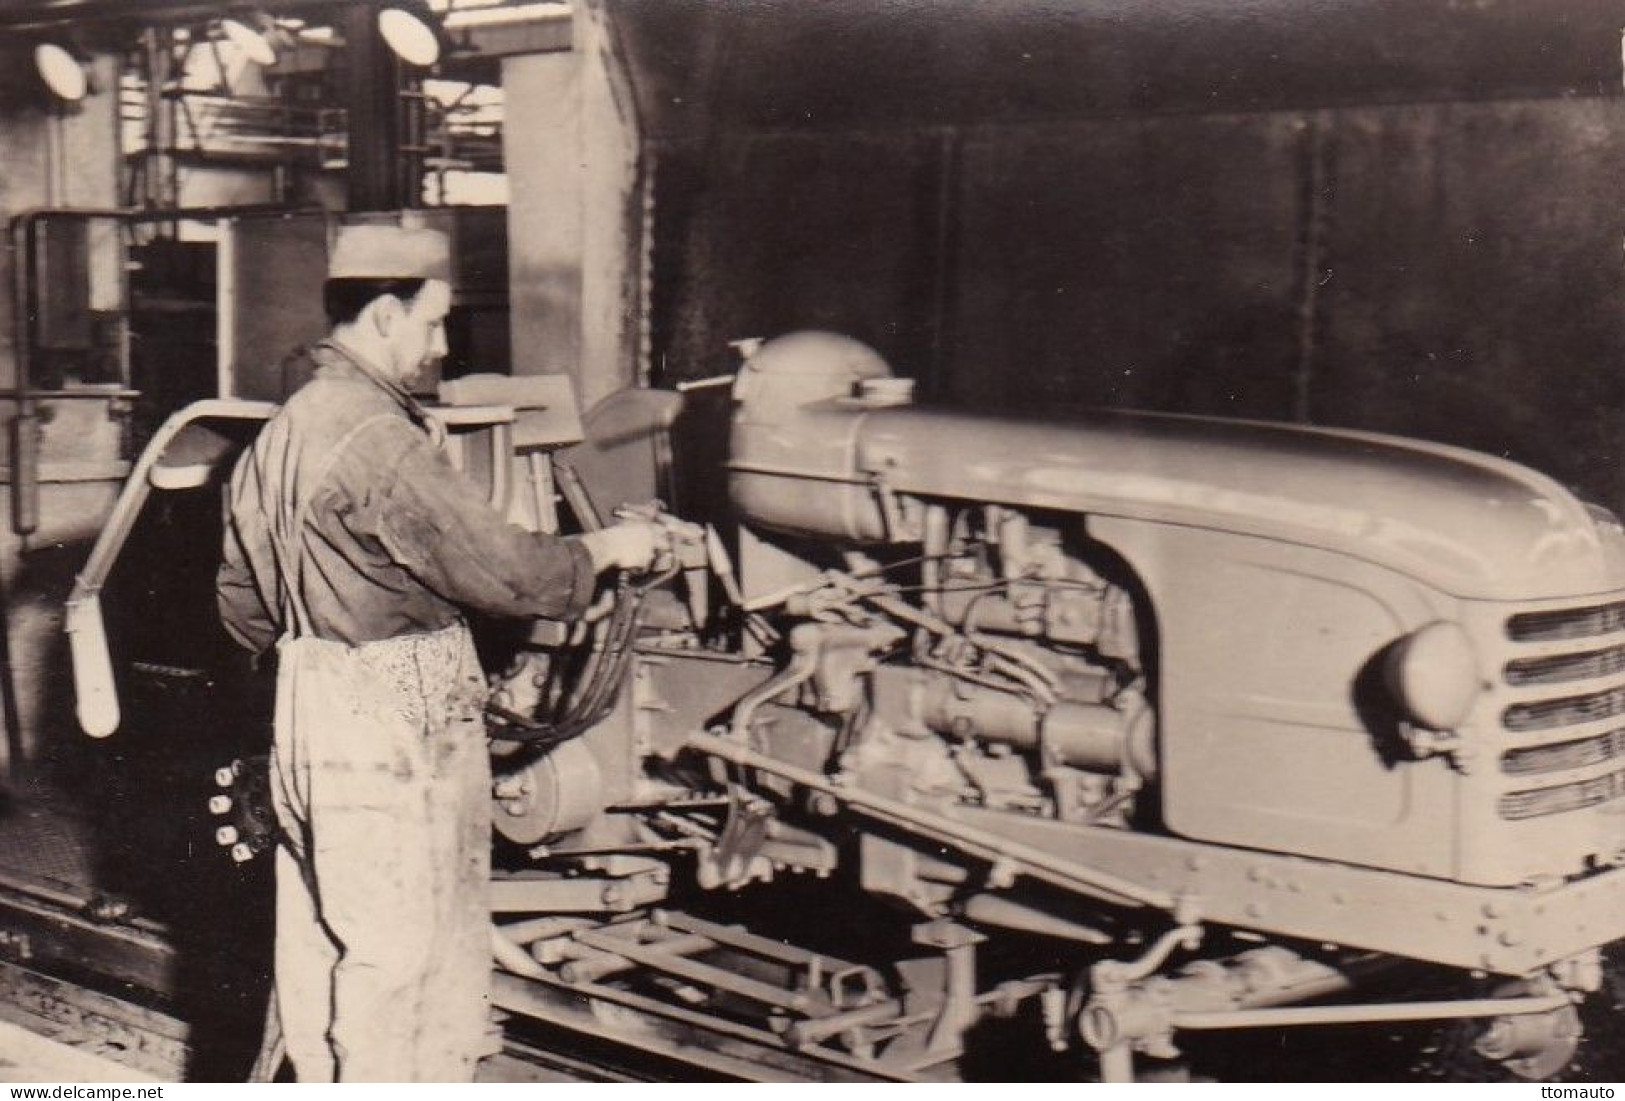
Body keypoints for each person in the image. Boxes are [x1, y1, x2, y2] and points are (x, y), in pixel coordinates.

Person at [216, 221, 659, 1082]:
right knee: (408, 952)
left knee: (317, 937)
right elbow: (511, 572)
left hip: (307, 702)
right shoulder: (379, 438)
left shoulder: (278, 433)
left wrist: (317, 663)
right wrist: (607, 553)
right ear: (383, 313)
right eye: (432, 322)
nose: (443, 343)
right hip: (394, 719)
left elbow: (239, 605)